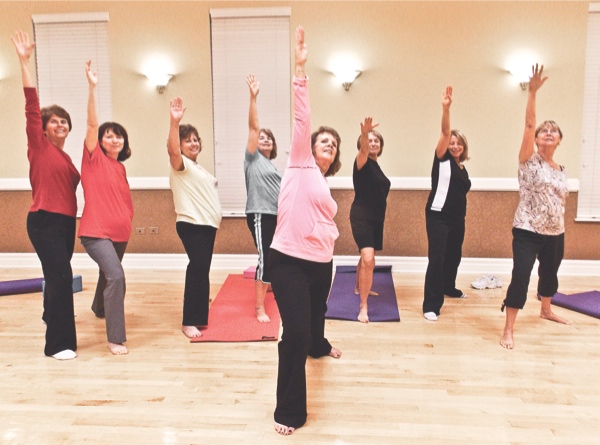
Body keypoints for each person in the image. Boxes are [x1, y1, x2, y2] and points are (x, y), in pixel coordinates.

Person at [268, 26, 342, 437]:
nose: (326, 144)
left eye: (333, 144)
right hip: (290, 261)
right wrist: (300, 69)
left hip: (321, 261)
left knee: (316, 319)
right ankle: (289, 411)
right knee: (294, 332)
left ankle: (321, 345)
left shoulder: (325, 182)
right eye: (322, 141)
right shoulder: (300, 163)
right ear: (310, 147)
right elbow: (302, 118)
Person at [11, 30, 80, 360]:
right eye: (54, 121)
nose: (60, 124)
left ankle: (50, 316)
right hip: (44, 221)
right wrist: (24, 61)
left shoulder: (66, 157)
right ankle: (58, 345)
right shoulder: (39, 146)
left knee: (56, 277)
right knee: (62, 276)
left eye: (64, 120)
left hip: (66, 224)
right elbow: (31, 105)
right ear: (43, 128)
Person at [500, 64, 570, 349]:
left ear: (559, 140)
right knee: (521, 275)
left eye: (554, 131)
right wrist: (532, 93)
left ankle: (546, 309)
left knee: (550, 273)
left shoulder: (560, 168)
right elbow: (529, 124)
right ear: (537, 139)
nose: (548, 132)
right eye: (544, 131)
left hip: (556, 231)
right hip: (528, 230)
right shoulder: (529, 160)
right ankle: (508, 328)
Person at [79, 60, 134, 356]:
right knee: (116, 276)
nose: (114, 138)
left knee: (106, 275)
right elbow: (90, 124)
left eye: (118, 135)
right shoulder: (93, 158)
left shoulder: (120, 167)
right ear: (99, 141)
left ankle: (99, 308)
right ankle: (115, 337)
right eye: (108, 134)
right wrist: (92, 88)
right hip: (96, 232)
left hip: (119, 231)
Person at [168, 97, 222, 339]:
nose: (193, 143)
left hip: (206, 225)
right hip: (192, 224)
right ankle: (189, 320)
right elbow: (171, 150)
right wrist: (174, 122)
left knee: (202, 270)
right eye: (187, 140)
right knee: (197, 269)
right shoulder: (181, 164)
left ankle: (199, 314)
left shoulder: (197, 167)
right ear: (179, 145)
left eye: (195, 139)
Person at [423, 86, 471, 322]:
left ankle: (448, 287)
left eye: (458, 143)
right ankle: (431, 304)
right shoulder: (442, 159)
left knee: (454, 256)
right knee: (437, 258)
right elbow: (444, 132)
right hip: (438, 217)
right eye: (451, 142)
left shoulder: (462, 167)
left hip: (456, 219)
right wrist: (446, 108)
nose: (454, 145)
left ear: (464, 147)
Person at [244, 74, 282, 323]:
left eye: (269, 137)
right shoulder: (253, 158)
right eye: (262, 137)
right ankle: (259, 307)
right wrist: (253, 97)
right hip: (260, 213)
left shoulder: (272, 165)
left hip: (276, 215)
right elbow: (253, 127)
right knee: (265, 259)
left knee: (277, 257)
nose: (264, 138)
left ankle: (273, 287)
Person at [350, 119, 391, 323]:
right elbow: (364, 150)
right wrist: (365, 132)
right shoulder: (362, 162)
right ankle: (363, 306)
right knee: (368, 259)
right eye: (370, 141)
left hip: (376, 219)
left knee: (365, 256)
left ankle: (360, 286)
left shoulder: (376, 165)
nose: (373, 143)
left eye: (377, 141)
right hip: (361, 217)